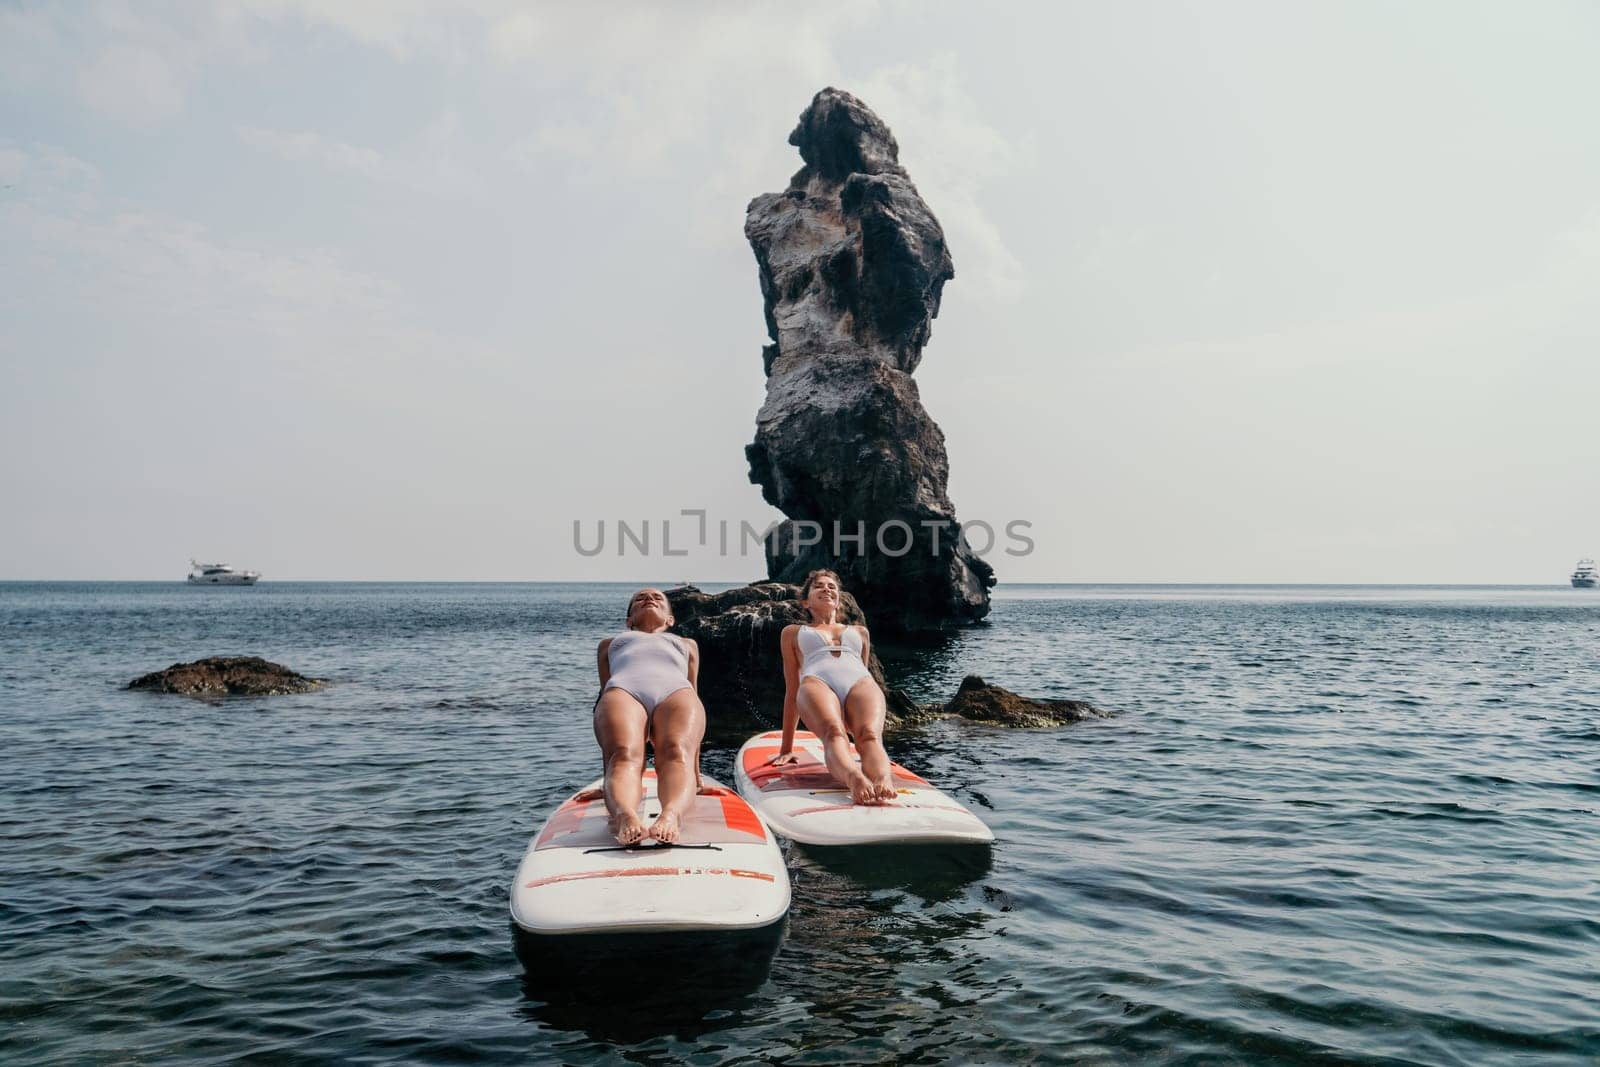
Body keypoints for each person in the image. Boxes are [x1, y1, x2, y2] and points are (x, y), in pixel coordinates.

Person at [772, 569, 897, 805]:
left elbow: (862, 668)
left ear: (838, 599)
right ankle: (854, 779)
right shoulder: (793, 633)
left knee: (869, 735)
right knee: (834, 733)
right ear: (806, 601)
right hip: (816, 683)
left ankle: (882, 778)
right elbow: (791, 690)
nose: (827, 589)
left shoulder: (860, 632)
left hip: (860, 682)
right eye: (819, 586)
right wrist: (786, 748)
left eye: (832, 587)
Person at [591, 588, 706, 845]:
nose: (649, 599)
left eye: (657, 598)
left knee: (677, 751)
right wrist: (604, 781)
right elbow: (604, 694)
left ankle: (671, 816)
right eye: (640, 599)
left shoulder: (687, 644)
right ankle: (625, 816)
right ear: (629, 621)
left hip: (676, 693)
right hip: (624, 691)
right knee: (623, 753)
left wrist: (697, 778)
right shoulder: (610, 644)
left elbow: (694, 699)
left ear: (670, 620)